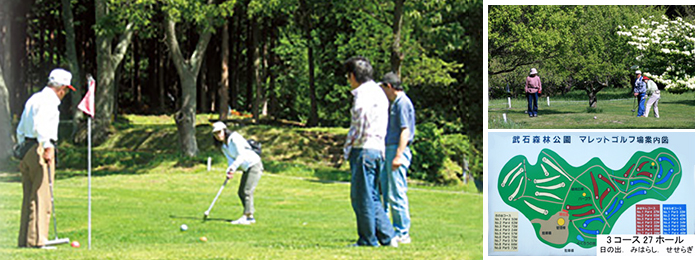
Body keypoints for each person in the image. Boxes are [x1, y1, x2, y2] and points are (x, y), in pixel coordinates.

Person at [16, 68, 75, 248]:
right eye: (65, 90)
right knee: (42, 195)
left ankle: (26, 239)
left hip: (26, 149)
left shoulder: (34, 98)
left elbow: (20, 128)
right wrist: (47, 146)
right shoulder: (50, 101)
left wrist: (22, 149)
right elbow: (42, 125)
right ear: (62, 88)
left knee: (29, 196)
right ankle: (39, 240)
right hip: (40, 149)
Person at [343, 56, 397, 247]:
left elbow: (360, 119)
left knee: (361, 197)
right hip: (377, 149)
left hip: (363, 148)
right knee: (372, 195)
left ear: (352, 75)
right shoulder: (378, 92)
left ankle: (367, 239)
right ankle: (387, 236)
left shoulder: (362, 93)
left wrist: (349, 145)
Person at [378, 72, 415, 244]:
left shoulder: (402, 103)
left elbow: (405, 130)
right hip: (389, 150)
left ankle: (402, 232)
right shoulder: (395, 104)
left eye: (384, 88)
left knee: (396, 193)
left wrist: (399, 155)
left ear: (390, 86)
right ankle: (386, 230)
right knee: (385, 192)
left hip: (397, 151)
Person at [211, 121, 263, 225]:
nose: (218, 135)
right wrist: (230, 170)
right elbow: (231, 160)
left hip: (254, 164)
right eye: (216, 133)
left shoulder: (234, 138)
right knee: (241, 192)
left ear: (225, 130)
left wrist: (234, 168)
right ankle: (250, 216)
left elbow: (241, 156)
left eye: (219, 132)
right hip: (246, 168)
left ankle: (246, 216)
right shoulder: (223, 146)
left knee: (247, 191)